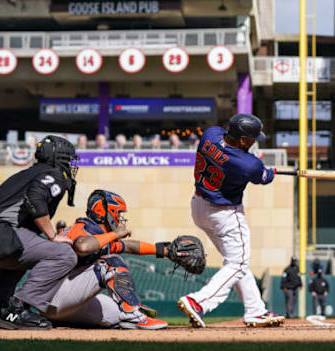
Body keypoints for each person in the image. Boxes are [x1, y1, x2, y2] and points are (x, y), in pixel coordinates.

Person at [0, 135, 79, 330]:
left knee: (20, 258)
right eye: (69, 159)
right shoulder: (54, 174)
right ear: (59, 157)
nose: (71, 165)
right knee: (64, 255)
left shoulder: (26, 173)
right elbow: (36, 197)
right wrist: (52, 235)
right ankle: (18, 309)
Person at [178, 114, 284, 328]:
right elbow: (262, 176)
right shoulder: (249, 164)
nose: (254, 142)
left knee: (237, 262)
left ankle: (256, 310)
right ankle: (198, 302)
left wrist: (263, 169)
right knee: (237, 263)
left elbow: (234, 155)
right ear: (243, 140)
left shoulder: (211, 134)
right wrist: (269, 172)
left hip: (198, 207)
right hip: (224, 214)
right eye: (252, 139)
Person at [42, 189, 169, 329]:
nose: (119, 218)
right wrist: (115, 234)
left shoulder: (98, 233)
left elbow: (128, 246)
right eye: (118, 213)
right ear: (103, 212)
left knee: (116, 316)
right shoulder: (82, 228)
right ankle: (132, 315)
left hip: (60, 301)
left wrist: (165, 251)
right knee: (111, 262)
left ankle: (61, 321)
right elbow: (82, 246)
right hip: (52, 296)